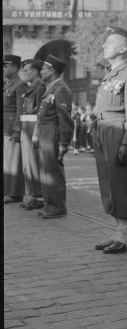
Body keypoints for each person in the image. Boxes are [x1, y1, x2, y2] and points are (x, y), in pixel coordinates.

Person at [93, 26, 127, 254]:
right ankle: (117, 232)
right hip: (102, 129)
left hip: (117, 131)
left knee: (120, 184)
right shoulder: (109, 75)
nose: (104, 45)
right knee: (108, 183)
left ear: (123, 48)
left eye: (109, 42)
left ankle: (125, 235)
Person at [32, 56, 73, 219]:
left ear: (52, 71)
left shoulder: (60, 89)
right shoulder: (50, 88)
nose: (41, 72)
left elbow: (65, 118)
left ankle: (57, 207)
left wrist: (64, 142)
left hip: (53, 133)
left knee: (53, 171)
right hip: (45, 132)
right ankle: (50, 204)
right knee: (46, 171)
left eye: (43, 69)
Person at [18, 59, 46, 210]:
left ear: (35, 72)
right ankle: (33, 195)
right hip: (26, 127)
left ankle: (39, 197)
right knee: (27, 165)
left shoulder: (40, 87)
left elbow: (41, 113)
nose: (25, 73)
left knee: (34, 164)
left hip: (33, 127)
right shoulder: (31, 87)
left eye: (27, 70)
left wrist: (36, 132)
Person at [3, 54, 26, 203]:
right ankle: (8, 190)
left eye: (7, 65)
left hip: (11, 126)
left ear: (16, 67)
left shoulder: (20, 84)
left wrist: (17, 128)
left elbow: (20, 108)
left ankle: (15, 192)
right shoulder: (8, 84)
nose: (4, 68)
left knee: (13, 160)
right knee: (6, 160)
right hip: (5, 125)